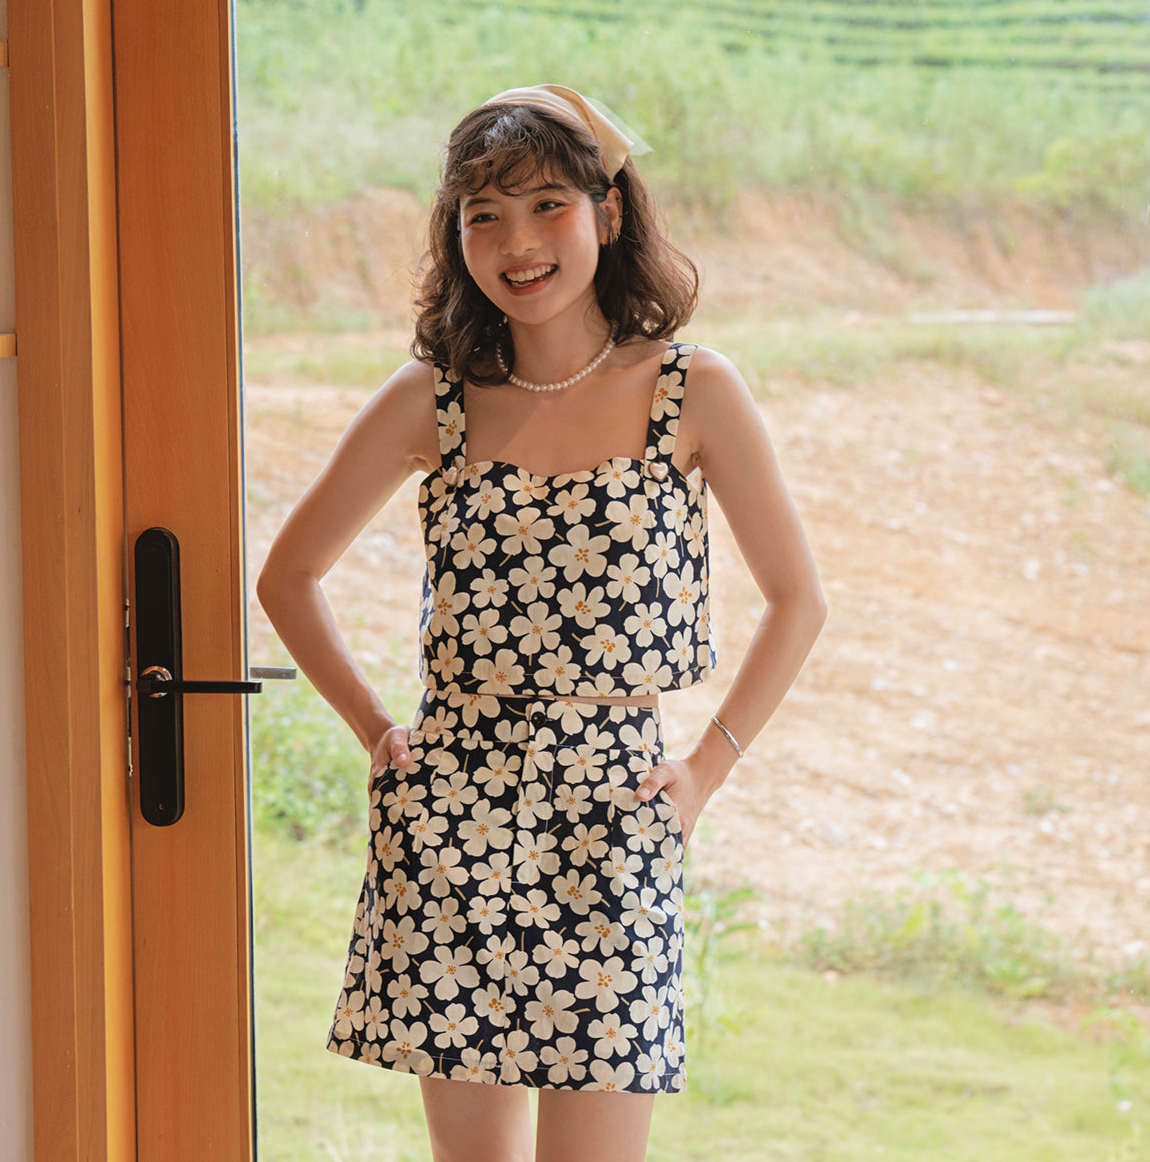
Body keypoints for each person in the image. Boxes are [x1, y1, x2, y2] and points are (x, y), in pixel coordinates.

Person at [257, 84, 826, 1162]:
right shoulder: (432, 399)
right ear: (456, 234)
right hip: (452, 819)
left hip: (615, 821)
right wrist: (377, 727)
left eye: (545, 205)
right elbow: (287, 575)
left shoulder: (692, 389)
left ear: (606, 213)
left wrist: (705, 767)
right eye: (483, 215)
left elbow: (799, 601)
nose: (516, 242)